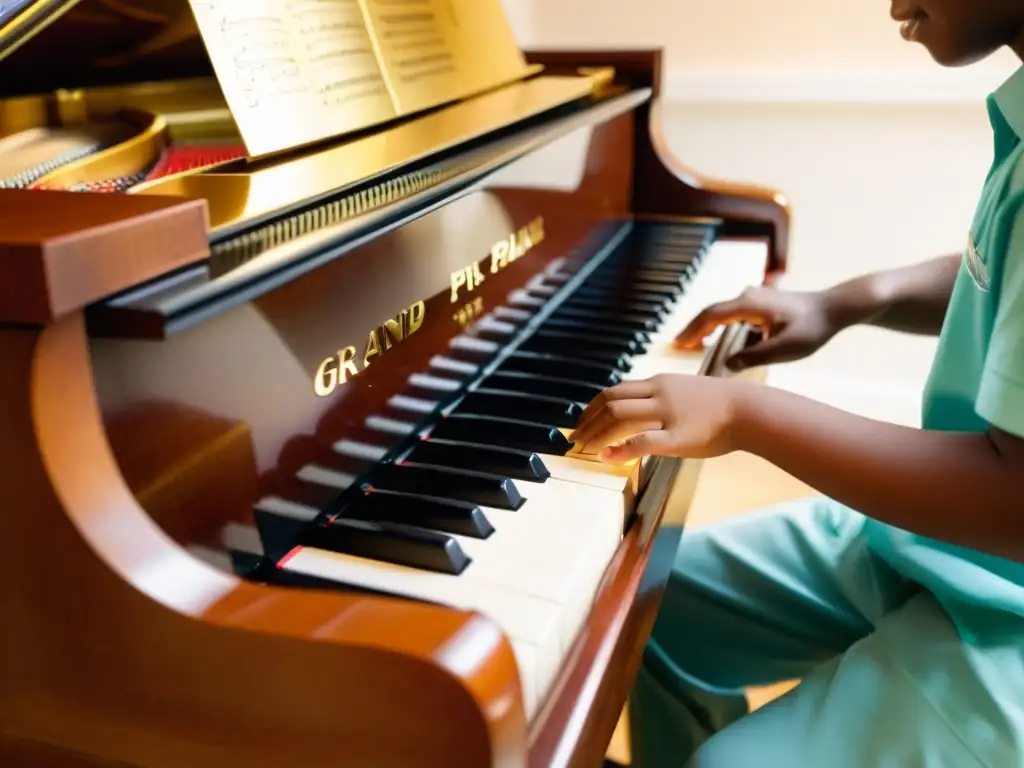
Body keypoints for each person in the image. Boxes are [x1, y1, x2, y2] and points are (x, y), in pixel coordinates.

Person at [571, 2, 1024, 766]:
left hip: (1005, 600)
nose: (896, 5)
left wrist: (747, 413)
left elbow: (1014, 501)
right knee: (645, 614)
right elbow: (1002, 273)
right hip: (938, 544)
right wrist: (848, 301)